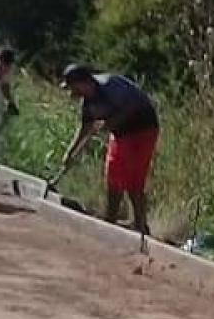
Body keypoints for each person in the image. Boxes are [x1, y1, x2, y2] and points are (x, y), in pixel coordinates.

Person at [53, 63, 160, 234]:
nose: (71, 92)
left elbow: (131, 106)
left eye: (72, 87)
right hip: (120, 134)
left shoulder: (110, 85)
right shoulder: (87, 104)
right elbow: (85, 129)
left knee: (133, 179)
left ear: (82, 82)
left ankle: (140, 226)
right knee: (113, 174)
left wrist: (109, 124)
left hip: (142, 130)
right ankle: (110, 220)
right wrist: (71, 152)